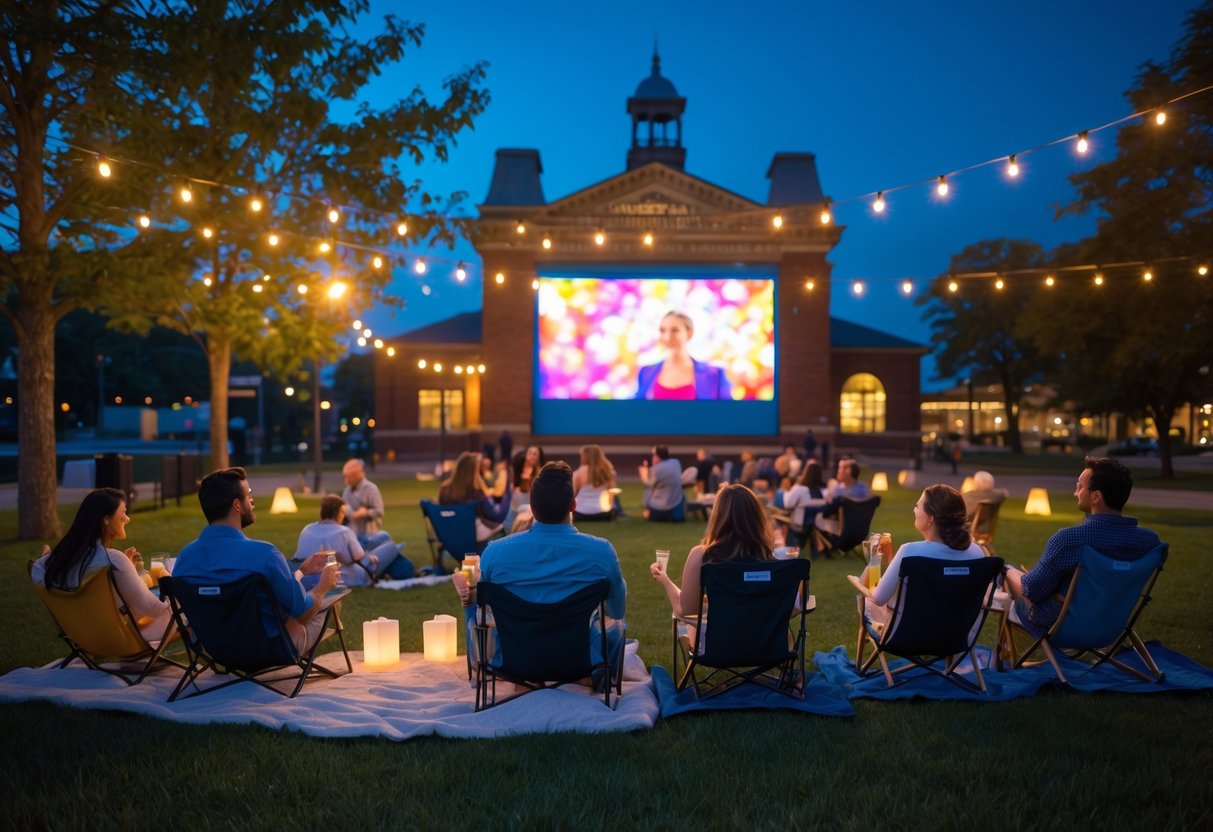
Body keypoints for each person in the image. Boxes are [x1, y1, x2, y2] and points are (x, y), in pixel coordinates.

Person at [452, 461, 626, 670]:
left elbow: (483, 609)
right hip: (578, 660)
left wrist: (469, 588)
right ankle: (591, 678)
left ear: (532, 508)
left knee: (473, 604)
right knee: (617, 625)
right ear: (573, 506)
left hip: (512, 660)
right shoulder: (602, 552)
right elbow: (617, 610)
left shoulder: (495, 553)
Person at [175, 468, 340, 653]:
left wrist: (301, 572)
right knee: (326, 603)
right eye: (249, 494)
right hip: (268, 650)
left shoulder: (184, 559)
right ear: (237, 505)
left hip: (216, 650)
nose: (252, 501)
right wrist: (323, 586)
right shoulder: (265, 555)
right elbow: (301, 611)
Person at [1003, 457, 1160, 631]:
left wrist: (1006, 572)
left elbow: (1032, 590)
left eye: (1080, 487)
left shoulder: (1070, 540)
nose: (1075, 493)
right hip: (1111, 626)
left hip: (1062, 625)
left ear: (1096, 496)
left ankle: (1001, 658)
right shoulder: (1149, 543)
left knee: (1007, 574)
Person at [30, 487, 172, 644]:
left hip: (86, 637)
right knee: (185, 604)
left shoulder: (63, 561)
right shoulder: (114, 560)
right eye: (123, 512)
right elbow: (153, 609)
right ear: (106, 520)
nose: (127, 518)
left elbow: (105, 593)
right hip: (121, 639)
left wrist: (126, 571)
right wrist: (167, 579)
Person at [649, 483, 786, 645]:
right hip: (766, 645)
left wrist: (665, 580)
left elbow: (685, 611)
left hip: (719, 646)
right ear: (756, 517)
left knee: (685, 625)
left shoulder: (702, 555)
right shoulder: (770, 559)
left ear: (718, 517)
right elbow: (789, 609)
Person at [847, 484, 985, 628]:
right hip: (956, 636)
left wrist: (870, 565)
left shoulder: (909, 551)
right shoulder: (977, 552)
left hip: (909, 635)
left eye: (917, 506)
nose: (914, 509)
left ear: (931, 518)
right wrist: (890, 556)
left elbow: (879, 598)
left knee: (867, 600)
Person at [293, 494, 408, 586]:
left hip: (310, 575)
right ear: (340, 512)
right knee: (392, 546)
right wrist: (369, 556)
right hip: (347, 576)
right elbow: (359, 557)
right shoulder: (343, 532)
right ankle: (405, 566)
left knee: (383, 539)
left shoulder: (307, 528)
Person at [634, 311, 730, 400]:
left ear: (689, 333)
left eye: (675, 330)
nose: (667, 337)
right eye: (662, 331)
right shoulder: (646, 373)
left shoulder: (715, 375)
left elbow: (729, 414)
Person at [439, 451, 513, 542]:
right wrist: (508, 494)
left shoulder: (444, 489)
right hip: (475, 537)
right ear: (473, 472)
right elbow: (498, 516)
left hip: (451, 537)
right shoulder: (476, 493)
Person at [341, 458, 392, 549]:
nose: (346, 480)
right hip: (352, 535)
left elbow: (379, 511)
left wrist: (366, 513)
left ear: (356, 476)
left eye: (347, 477)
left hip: (370, 535)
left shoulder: (371, 489)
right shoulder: (346, 492)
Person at [815, 458, 871, 536]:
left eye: (841, 468)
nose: (838, 471)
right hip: (862, 530)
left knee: (814, 519)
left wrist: (831, 491)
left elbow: (828, 510)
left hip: (843, 530)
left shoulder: (841, 492)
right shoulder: (864, 488)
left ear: (848, 472)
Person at [780, 460, 828, 541]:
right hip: (818, 528)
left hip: (799, 528)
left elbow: (787, 504)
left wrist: (787, 491)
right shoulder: (825, 491)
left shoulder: (800, 489)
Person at [639, 444, 683, 521]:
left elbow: (649, 484)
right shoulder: (676, 463)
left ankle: (647, 512)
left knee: (649, 490)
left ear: (657, 456)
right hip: (676, 504)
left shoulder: (656, 469)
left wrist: (644, 475)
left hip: (659, 508)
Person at [573, 444, 618, 519]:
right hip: (604, 514)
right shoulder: (608, 471)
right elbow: (611, 492)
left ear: (585, 457)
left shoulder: (578, 473)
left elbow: (573, 494)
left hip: (581, 514)